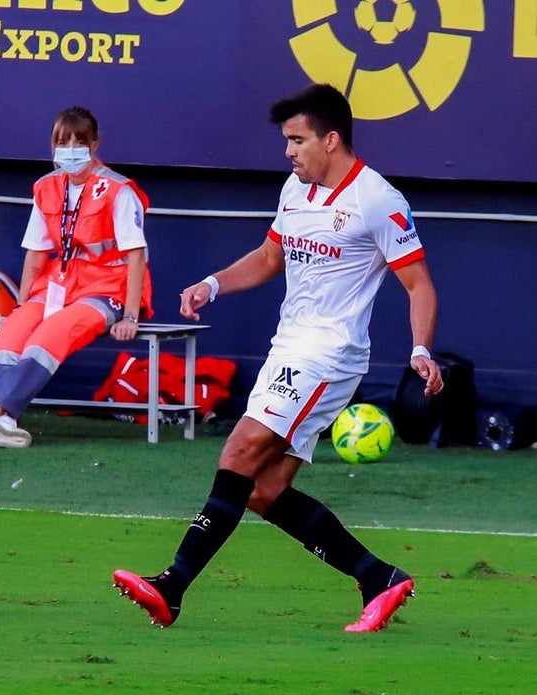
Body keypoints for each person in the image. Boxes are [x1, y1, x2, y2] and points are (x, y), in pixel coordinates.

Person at [113, 84, 444, 633]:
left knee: (240, 449)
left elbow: (420, 285)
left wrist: (421, 349)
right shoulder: (296, 188)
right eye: (286, 141)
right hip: (289, 346)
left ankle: (172, 586)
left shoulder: (377, 199)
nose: (289, 151)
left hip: (329, 355)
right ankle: (377, 576)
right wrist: (213, 284)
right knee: (264, 491)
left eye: (298, 140)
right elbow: (271, 257)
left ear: (331, 139)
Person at [0, 106, 152, 448]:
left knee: (51, 334)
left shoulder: (118, 190)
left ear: (95, 144)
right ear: (52, 146)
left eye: (79, 143)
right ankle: (3, 421)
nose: (70, 151)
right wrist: (23, 303)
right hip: (60, 283)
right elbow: (35, 253)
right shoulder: (47, 187)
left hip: (107, 288)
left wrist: (130, 315)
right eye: (63, 142)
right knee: (13, 330)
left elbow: (136, 256)